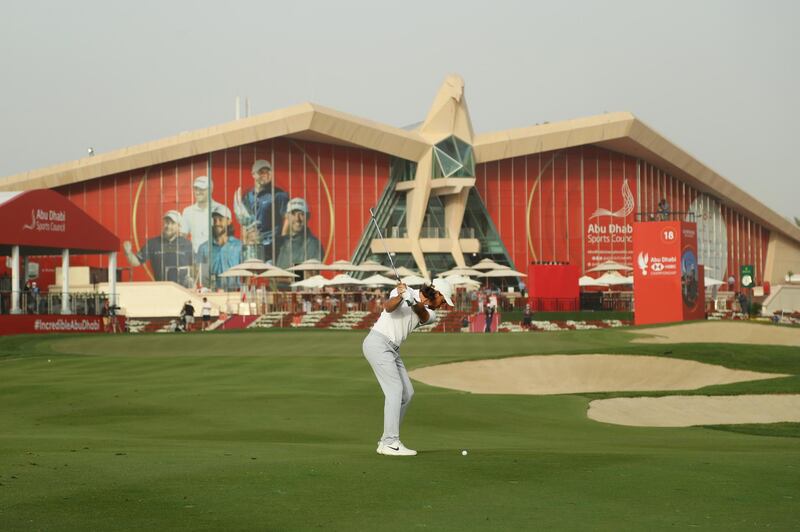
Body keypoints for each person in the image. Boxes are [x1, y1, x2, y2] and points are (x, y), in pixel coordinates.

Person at [363, 278, 453, 456]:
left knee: (407, 393)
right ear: (437, 294)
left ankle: (385, 441)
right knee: (395, 391)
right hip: (378, 343)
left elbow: (422, 313)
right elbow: (389, 307)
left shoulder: (430, 313)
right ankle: (390, 442)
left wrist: (413, 301)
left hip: (392, 349)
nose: (442, 305)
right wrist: (401, 296)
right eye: (443, 301)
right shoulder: (404, 291)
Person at [234, 159, 290, 262]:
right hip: (253, 247)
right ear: (253, 174)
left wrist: (282, 241)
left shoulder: (279, 194)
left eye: (267, 171)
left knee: (272, 276)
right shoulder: (247, 196)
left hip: (273, 248)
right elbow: (244, 223)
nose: (265, 174)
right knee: (253, 275)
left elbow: (287, 218)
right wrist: (245, 243)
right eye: (261, 172)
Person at [123, 211, 194, 287]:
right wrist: (128, 252)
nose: (168, 226)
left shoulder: (187, 244)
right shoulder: (152, 243)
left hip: (182, 291)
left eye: (172, 223)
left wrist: (193, 281)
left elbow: (194, 267)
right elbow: (136, 262)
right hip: (161, 290)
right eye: (167, 222)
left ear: (179, 226)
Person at [196, 204, 242, 291]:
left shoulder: (238, 246)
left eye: (220, 220)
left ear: (229, 221)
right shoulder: (203, 248)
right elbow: (201, 277)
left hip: (234, 295)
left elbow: (246, 274)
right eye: (214, 220)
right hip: (212, 295)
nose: (217, 223)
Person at [181, 175, 223, 257]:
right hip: (197, 257)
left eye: (201, 189)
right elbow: (182, 237)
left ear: (210, 190)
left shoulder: (220, 209)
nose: (197, 192)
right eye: (196, 189)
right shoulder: (188, 211)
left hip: (217, 255)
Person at [276, 197, 324, 269]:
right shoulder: (280, 242)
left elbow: (309, 275)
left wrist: (279, 277)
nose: (297, 219)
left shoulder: (313, 244)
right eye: (293, 214)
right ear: (287, 216)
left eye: (301, 214)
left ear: (308, 216)